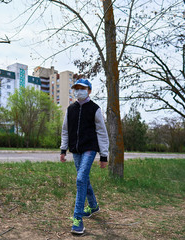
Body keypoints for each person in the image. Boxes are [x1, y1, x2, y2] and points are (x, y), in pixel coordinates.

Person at [60, 78, 109, 235]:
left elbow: (102, 132)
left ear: (89, 91)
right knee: (84, 179)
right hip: (75, 150)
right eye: (76, 88)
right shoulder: (70, 109)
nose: (78, 91)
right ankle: (93, 206)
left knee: (80, 179)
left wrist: (104, 155)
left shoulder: (95, 109)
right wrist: (63, 149)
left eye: (82, 88)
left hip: (90, 148)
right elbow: (65, 130)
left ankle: (77, 219)